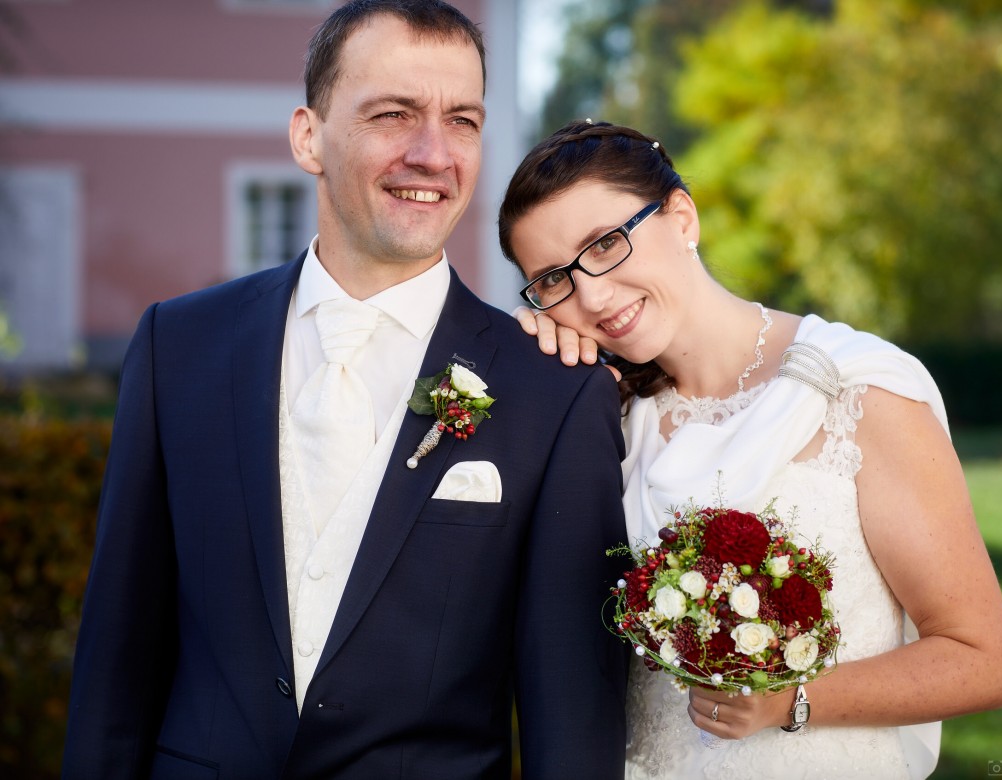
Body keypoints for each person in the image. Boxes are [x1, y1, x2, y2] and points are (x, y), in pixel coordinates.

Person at [61, 6, 628, 778]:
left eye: (461, 120)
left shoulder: (554, 392)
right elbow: (117, 657)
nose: (433, 154)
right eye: (393, 114)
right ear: (307, 136)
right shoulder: (178, 347)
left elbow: (571, 713)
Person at [500, 120, 1002, 779]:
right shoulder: (603, 419)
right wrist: (530, 375)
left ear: (682, 217)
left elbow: (982, 657)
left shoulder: (857, 390)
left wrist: (791, 700)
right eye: (552, 280)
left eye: (605, 244)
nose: (592, 296)